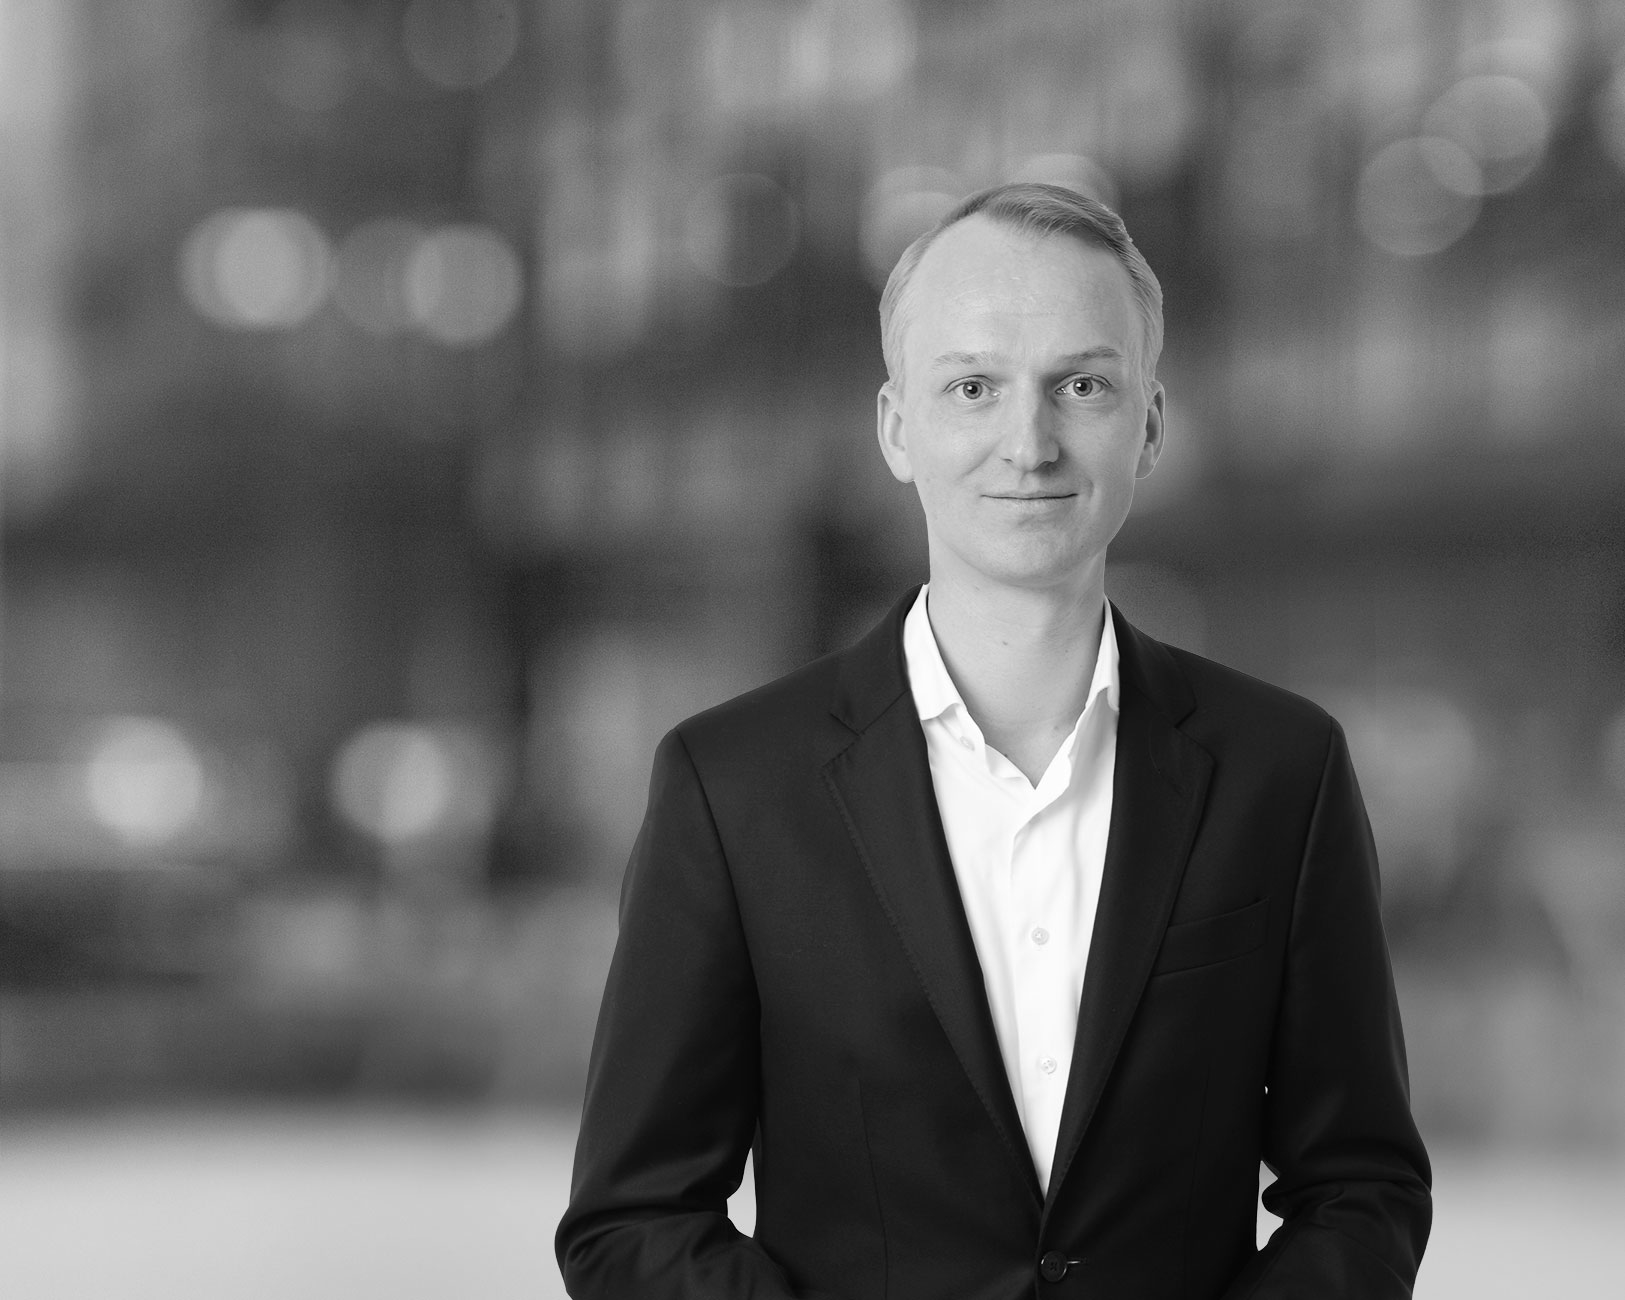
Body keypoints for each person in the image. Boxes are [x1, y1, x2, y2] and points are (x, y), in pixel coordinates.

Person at [556, 182, 1431, 1299]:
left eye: (1082, 385)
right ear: (896, 428)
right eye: (972, 387)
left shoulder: (1281, 772)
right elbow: (632, 1219)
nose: (1029, 443)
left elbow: (1359, 1188)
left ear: (1149, 425)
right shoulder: (732, 788)